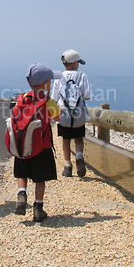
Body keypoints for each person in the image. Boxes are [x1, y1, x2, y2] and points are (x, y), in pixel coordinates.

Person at [13, 63, 61, 222]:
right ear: (46, 83)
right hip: (42, 146)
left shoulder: (22, 98)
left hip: (23, 146)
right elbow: (58, 117)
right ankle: (38, 209)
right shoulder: (48, 101)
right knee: (40, 179)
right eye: (50, 81)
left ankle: (21, 195)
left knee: (22, 174)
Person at [51, 49, 91, 178]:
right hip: (78, 115)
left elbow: (54, 98)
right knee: (79, 139)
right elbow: (87, 95)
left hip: (64, 115)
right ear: (74, 63)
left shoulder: (59, 78)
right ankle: (79, 155)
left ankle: (67, 166)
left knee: (66, 140)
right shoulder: (82, 76)